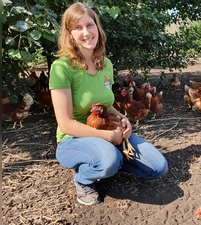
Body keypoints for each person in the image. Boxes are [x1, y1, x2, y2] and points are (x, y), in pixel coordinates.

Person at [49, 2, 168, 205]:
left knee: (158, 167)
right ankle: (83, 177)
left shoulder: (106, 65)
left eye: (90, 25)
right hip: (72, 139)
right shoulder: (62, 68)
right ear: (69, 34)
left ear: (97, 27)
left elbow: (108, 105)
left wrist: (123, 119)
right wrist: (107, 136)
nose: (86, 32)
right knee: (108, 159)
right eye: (78, 27)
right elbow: (66, 123)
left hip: (107, 129)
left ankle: (109, 161)